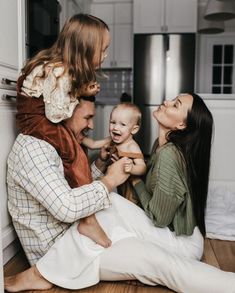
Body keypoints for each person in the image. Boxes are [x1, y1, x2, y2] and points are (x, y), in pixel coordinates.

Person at [5, 94, 235, 293]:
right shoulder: (160, 146)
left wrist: (132, 180)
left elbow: (160, 217)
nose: (166, 101)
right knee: (110, 212)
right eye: (88, 118)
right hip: (166, 233)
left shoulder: (168, 155)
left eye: (175, 104)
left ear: (182, 125)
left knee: (110, 202)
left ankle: (42, 273)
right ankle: (51, 268)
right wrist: (107, 170)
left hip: (177, 240)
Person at [15, 13, 114, 248]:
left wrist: (80, 90)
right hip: (37, 120)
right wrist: (78, 92)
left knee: (75, 148)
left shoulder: (60, 68)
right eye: (103, 49)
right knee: (76, 155)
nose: (105, 55)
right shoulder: (61, 71)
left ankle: (87, 212)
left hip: (37, 116)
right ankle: (87, 220)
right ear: (85, 48)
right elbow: (56, 114)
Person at [82, 102, 146, 203]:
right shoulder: (110, 140)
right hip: (113, 183)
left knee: (127, 207)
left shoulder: (132, 146)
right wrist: (76, 136)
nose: (115, 128)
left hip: (130, 189)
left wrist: (132, 168)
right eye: (113, 122)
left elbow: (142, 167)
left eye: (122, 124)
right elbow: (93, 144)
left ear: (134, 129)